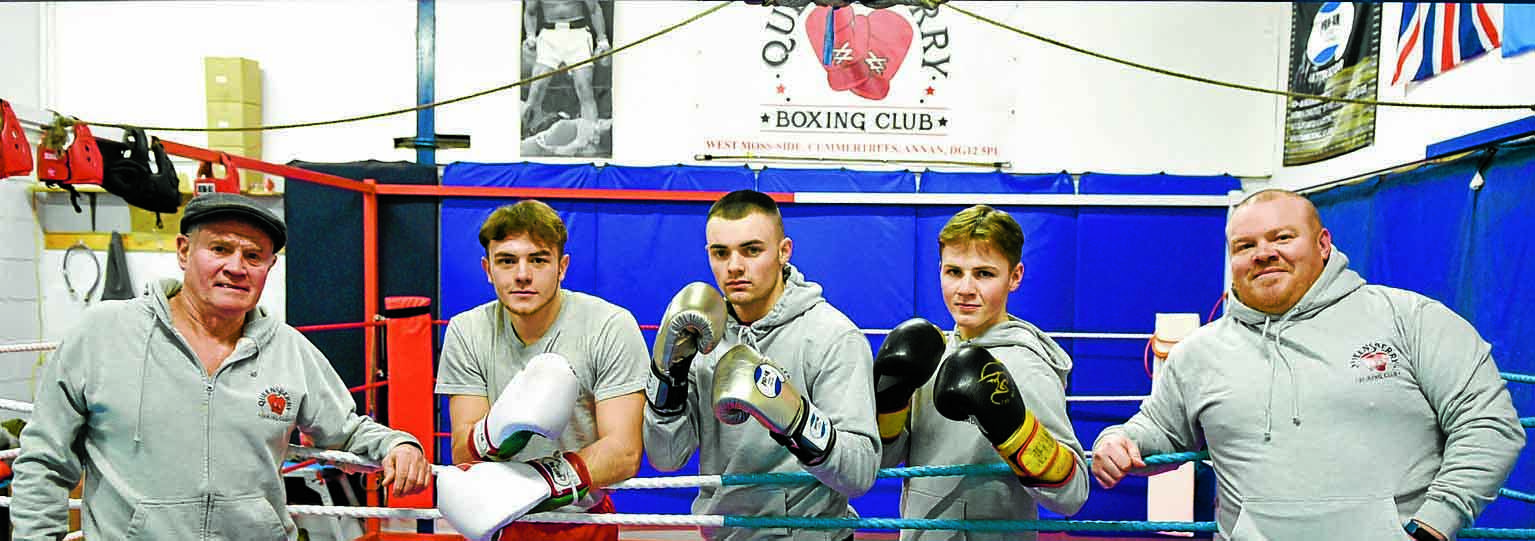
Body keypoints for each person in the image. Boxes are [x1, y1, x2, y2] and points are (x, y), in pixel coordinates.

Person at [1092, 189, 1527, 541]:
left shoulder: (1411, 319)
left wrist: (1433, 526)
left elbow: (1489, 425)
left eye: (1282, 238)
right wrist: (1120, 440)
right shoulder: (1199, 352)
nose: (1263, 254)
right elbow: (1160, 430)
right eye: (1246, 246)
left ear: (1323, 245)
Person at [11, 193, 430, 540]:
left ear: (270, 267)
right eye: (220, 249)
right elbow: (44, 460)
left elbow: (348, 427)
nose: (236, 267)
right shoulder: (103, 333)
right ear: (183, 251)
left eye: (253, 255)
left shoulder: (288, 350)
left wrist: (400, 445)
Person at [643, 189, 879, 541]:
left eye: (752, 250)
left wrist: (797, 422)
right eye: (720, 253)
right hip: (723, 534)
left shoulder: (832, 337)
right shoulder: (702, 335)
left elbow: (859, 473)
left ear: (784, 251)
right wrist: (668, 377)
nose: (734, 266)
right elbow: (666, 458)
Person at [433, 199, 646, 541]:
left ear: (562, 267)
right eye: (507, 261)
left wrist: (538, 483)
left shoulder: (609, 325)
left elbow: (624, 451)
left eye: (538, 259)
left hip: (581, 520)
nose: (522, 274)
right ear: (488, 269)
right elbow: (462, 449)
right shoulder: (467, 330)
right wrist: (495, 430)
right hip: (496, 519)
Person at [876, 205, 1089, 540]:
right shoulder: (930, 354)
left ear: (1014, 276)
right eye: (954, 271)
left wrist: (1015, 431)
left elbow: (1073, 493)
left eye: (984, 274)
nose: (965, 288)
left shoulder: (1027, 366)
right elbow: (884, 461)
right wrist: (888, 399)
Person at [522, 0, 608, 148]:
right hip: (549, 36)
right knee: (535, 91)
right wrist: (530, 36)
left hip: (578, 34)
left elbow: (594, 9)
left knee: (584, 88)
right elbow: (530, 11)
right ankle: (524, 134)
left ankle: (590, 139)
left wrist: (602, 40)